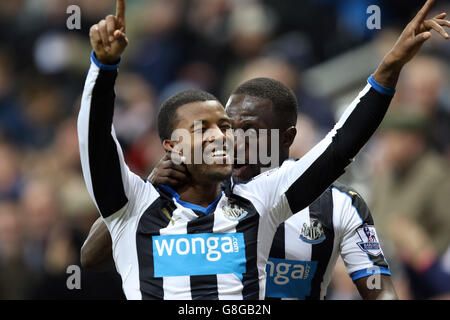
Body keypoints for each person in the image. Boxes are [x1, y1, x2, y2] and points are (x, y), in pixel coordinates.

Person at [78, 0, 449, 299]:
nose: (226, 138)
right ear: (171, 146)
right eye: (204, 129)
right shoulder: (143, 202)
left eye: (229, 129)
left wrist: (388, 68)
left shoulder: (262, 202)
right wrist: (103, 67)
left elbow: (340, 146)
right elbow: (96, 148)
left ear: (285, 139)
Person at [82, 78, 398, 300]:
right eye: (229, 128)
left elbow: (378, 288)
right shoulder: (197, 193)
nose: (231, 141)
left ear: (286, 138)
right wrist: (149, 190)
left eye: (249, 132)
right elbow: (91, 258)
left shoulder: (339, 203)